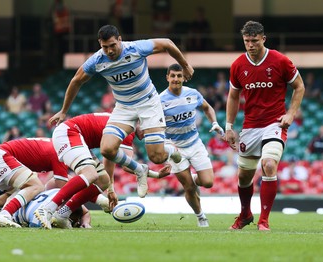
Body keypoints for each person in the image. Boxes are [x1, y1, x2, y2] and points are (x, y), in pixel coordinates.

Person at [48, 24, 193, 200]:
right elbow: (76, 80)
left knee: (157, 157)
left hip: (148, 103)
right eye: (104, 47)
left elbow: (168, 43)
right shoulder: (97, 61)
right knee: (107, 149)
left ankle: (172, 151)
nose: (109, 50)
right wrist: (64, 111)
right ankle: (140, 170)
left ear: (119, 40)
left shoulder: (136, 48)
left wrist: (185, 66)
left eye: (112, 45)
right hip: (124, 107)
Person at [225, 21, 305, 231]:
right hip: (250, 126)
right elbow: (233, 96)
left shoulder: (280, 60)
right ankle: (245, 214)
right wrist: (229, 126)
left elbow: (299, 87)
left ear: (263, 39)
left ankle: (264, 220)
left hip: (274, 123)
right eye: (246, 41)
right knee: (244, 176)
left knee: (269, 165)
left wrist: (291, 113)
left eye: (254, 41)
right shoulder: (238, 65)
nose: (250, 45)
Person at [35, 112, 144, 229]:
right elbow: (127, 165)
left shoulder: (122, 122)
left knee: (103, 180)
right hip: (70, 133)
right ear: (140, 122)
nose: (146, 136)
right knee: (90, 174)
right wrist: (155, 174)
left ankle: (62, 214)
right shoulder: (127, 128)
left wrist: (110, 189)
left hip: (76, 137)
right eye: (148, 131)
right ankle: (47, 208)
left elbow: (109, 158)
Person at [159, 63, 224, 227]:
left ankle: (193, 178)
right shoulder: (160, 100)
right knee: (188, 187)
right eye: (172, 75)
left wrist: (215, 123)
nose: (176, 79)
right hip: (174, 147)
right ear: (167, 77)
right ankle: (201, 216)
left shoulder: (193, 94)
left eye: (179, 76)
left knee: (208, 182)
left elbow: (207, 108)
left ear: (183, 77)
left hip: (194, 144)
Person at [0, 137, 71, 227]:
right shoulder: (60, 151)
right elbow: (61, 191)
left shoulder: (52, 144)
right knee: (37, 187)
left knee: (20, 192)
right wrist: (70, 210)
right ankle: (5, 214)